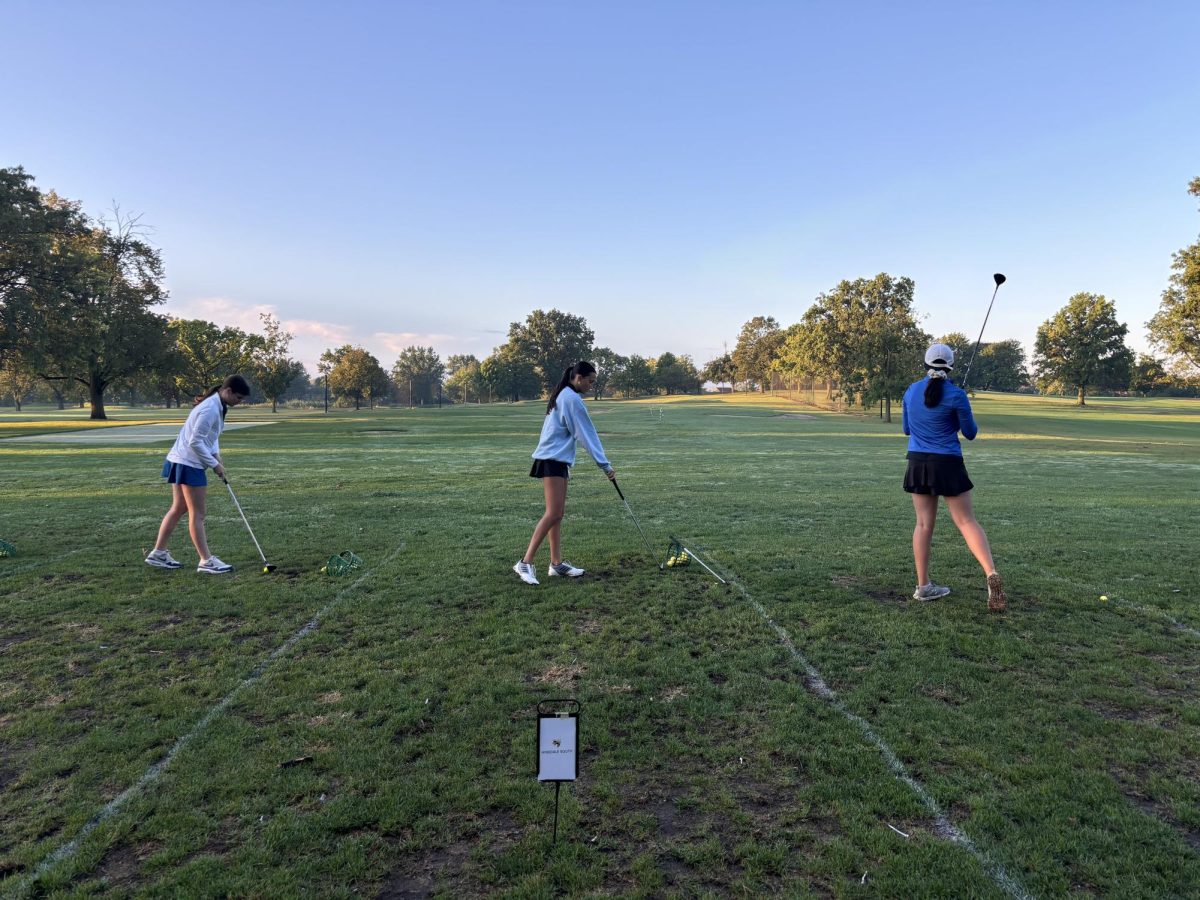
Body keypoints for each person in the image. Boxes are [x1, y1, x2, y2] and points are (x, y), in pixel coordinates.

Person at [901, 344, 1006, 611]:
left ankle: (923, 586)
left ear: (925, 364)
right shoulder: (957, 395)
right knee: (966, 521)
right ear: (950, 366)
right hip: (947, 462)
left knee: (923, 524)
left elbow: (906, 429)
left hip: (918, 461)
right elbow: (970, 433)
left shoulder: (911, 391)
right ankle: (991, 573)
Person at [513, 361, 616, 585]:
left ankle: (556, 564)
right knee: (553, 513)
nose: (591, 386)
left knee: (557, 514)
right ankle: (525, 562)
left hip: (556, 460)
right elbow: (586, 435)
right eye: (589, 381)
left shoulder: (565, 395)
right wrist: (605, 465)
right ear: (578, 378)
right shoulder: (571, 399)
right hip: (552, 460)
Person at [146, 374, 251, 574]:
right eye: (238, 397)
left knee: (178, 509)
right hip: (188, 463)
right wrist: (214, 464)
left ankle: (158, 553)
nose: (239, 402)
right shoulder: (210, 408)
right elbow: (196, 441)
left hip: (181, 460)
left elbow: (210, 436)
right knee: (198, 514)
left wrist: (217, 455)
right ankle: (206, 561)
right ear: (227, 391)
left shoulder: (218, 405)